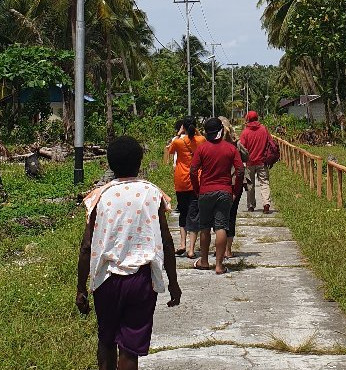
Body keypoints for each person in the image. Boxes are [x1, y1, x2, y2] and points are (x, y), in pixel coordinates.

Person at [77, 136, 182, 370]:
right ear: (139, 162)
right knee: (129, 349)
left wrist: (81, 288)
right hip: (141, 281)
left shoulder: (99, 196)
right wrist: (173, 283)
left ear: (110, 164)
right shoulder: (152, 193)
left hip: (106, 280)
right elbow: (166, 242)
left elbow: (86, 246)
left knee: (106, 341)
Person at [189, 117, 244, 275]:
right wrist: (235, 190)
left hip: (206, 191)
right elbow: (240, 170)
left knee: (204, 227)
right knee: (221, 226)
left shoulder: (202, 148)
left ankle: (204, 261)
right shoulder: (230, 148)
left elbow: (193, 170)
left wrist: (197, 189)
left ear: (206, 132)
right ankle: (219, 266)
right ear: (221, 130)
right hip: (225, 191)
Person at [167, 116, 205, 257]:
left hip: (181, 180)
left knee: (183, 212)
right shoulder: (200, 140)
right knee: (194, 214)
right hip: (197, 180)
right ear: (194, 127)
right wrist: (197, 131)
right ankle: (191, 249)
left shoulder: (178, 142)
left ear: (183, 127)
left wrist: (179, 133)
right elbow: (204, 140)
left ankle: (182, 243)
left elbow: (170, 151)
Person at [218, 115, 249, 260]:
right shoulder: (235, 144)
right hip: (234, 183)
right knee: (231, 216)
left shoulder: (212, 144)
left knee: (219, 217)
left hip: (218, 184)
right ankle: (228, 250)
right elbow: (246, 156)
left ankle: (219, 248)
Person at [239, 110, 273, 213]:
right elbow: (270, 142)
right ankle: (266, 203)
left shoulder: (245, 132)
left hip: (249, 163)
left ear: (247, 119)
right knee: (264, 183)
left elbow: (241, 147)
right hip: (262, 161)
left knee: (250, 184)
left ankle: (250, 206)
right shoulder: (264, 129)